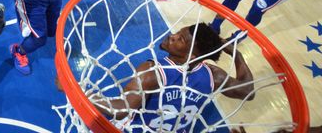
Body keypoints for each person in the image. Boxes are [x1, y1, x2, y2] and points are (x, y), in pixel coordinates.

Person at [95, 24, 255, 132]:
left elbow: (121, 109)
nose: (172, 36)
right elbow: (248, 90)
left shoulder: (152, 71)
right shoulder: (213, 75)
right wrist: (237, 55)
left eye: (180, 39)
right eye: (178, 33)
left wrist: (88, 95)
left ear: (191, 56)